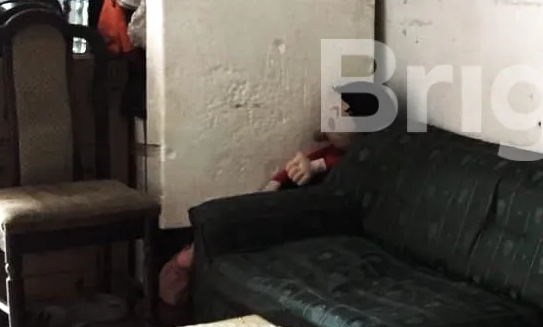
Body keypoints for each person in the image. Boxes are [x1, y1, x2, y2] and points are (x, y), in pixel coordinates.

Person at [156, 84, 381, 307]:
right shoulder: (328, 152)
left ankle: (184, 270)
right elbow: (292, 172)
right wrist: (274, 185)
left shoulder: (353, 159)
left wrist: (311, 169)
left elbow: (328, 170)